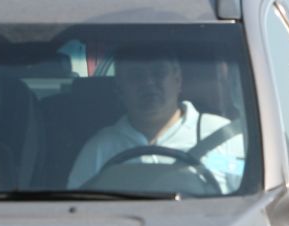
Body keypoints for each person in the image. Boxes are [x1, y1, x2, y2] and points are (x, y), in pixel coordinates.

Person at [68, 52, 241, 191]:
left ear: (178, 80)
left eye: (159, 73)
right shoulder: (100, 149)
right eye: (136, 76)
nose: (148, 83)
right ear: (119, 88)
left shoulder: (222, 136)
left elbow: (252, 202)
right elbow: (76, 212)